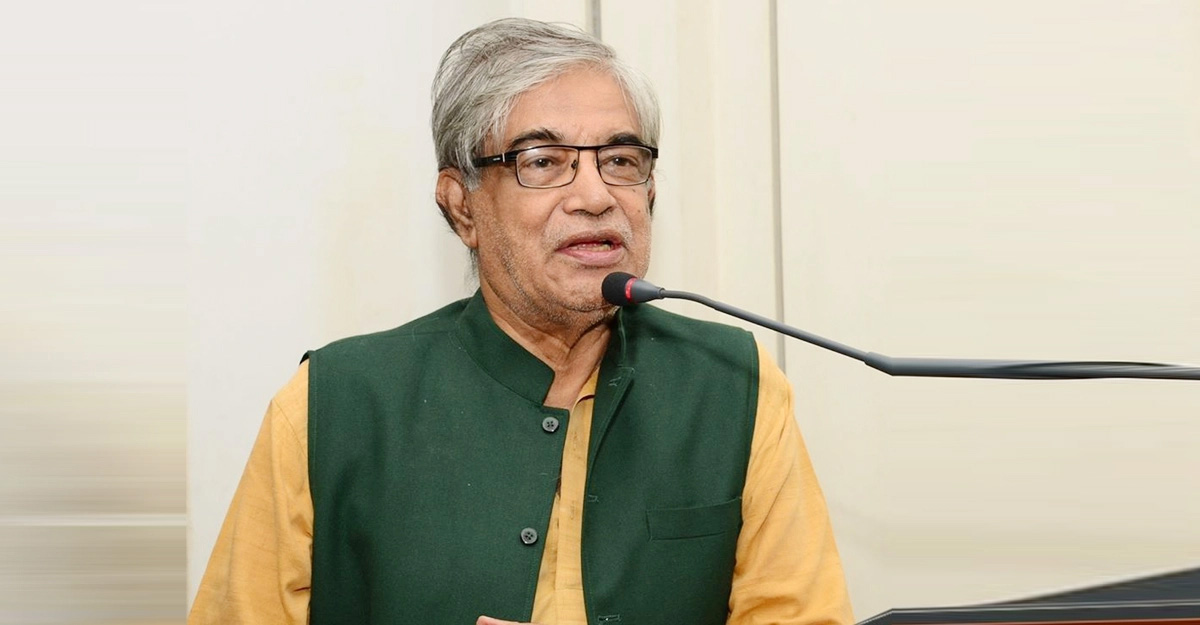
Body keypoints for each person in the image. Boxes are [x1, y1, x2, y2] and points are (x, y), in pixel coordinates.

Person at [189, 17, 852, 625]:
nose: (595, 195)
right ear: (461, 206)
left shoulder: (734, 384)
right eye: (542, 162)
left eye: (621, 160)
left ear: (650, 191)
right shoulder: (331, 404)